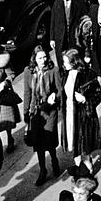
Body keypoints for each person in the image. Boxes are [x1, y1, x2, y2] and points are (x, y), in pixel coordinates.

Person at [24, 46, 62, 186]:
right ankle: (42, 169)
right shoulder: (28, 72)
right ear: (34, 59)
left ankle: (54, 160)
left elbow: (60, 89)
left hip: (50, 110)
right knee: (38, 142)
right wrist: (26, 111)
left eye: (45, 57)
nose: (43, 60)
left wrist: (55, 96)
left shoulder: (54, 70)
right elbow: (27, 92)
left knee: (49, 138)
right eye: (40, 58)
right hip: (36, 112)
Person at [60, 48, 101, 174]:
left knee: (83, 144)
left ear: (74, 62)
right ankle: (79, 166)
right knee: (73, 142)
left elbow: (97, 95)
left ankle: (88, 167)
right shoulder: (66, 73)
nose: (64, 64)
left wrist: (85, 99)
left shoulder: (87, 75)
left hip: (82, 115)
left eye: (66, 62)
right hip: (69, 112)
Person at [50, 0, 89, 74]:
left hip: (74, 39)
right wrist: (52, 38)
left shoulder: (78, 3)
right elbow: (53, 21)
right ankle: (63, 78)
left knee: (75, 60)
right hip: (60, 39)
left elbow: (85, 22)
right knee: (62, 62)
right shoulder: (57, 3)